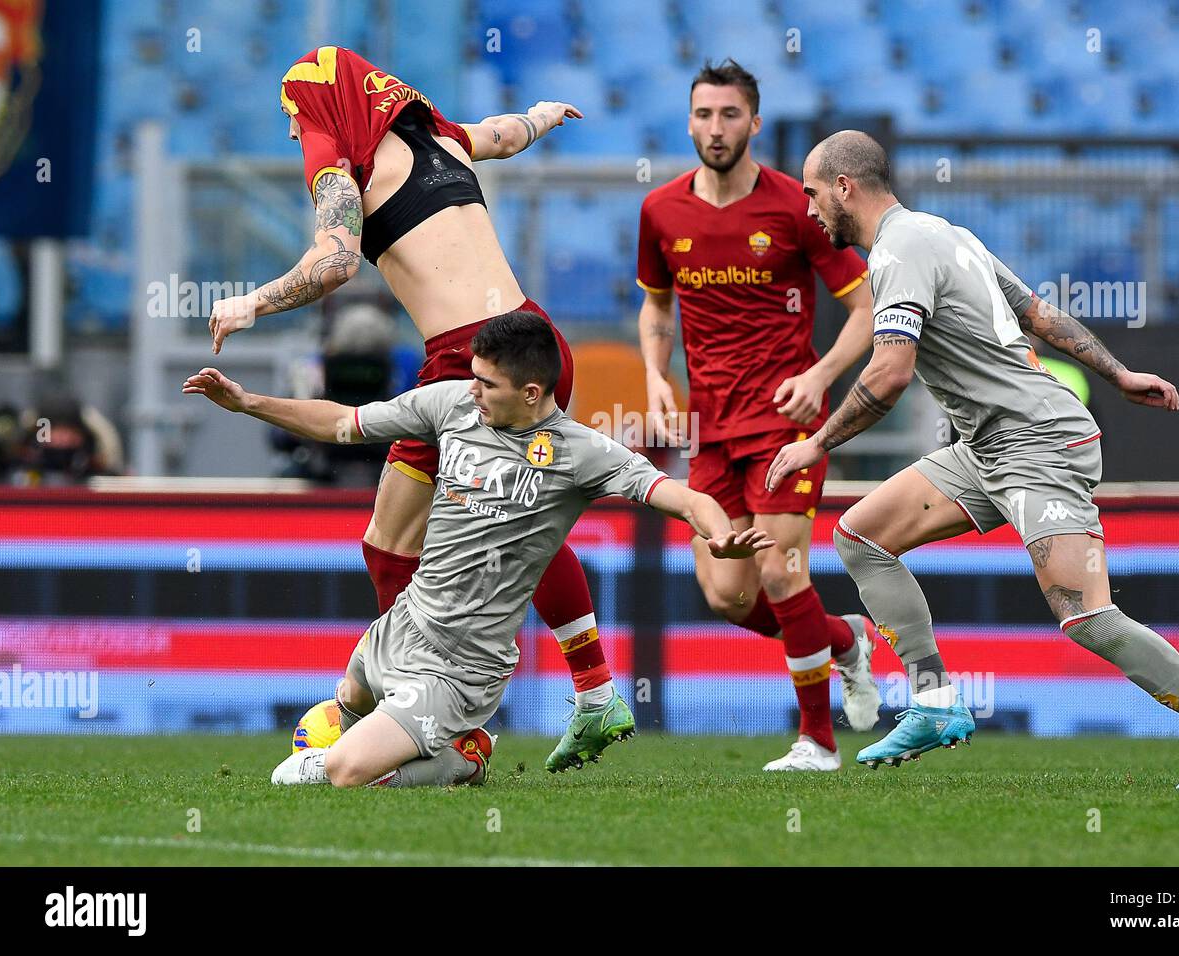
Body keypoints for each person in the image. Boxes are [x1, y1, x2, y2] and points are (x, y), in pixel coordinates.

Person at [767, 130, 1179, 790]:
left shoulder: (898, 252)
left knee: (1087, 616)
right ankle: (936, 701)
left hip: (1038, 443)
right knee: (861, 535)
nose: (806, 211)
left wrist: (813, 442)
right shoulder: (947, 235)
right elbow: (1037, 312)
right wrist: (1118, 374)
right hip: (986, 447)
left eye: (810, 194)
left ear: (843, 187)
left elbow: (890, 373)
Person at [205, 45, 629, 771]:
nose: (291, 134)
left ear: (322, 107)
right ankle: (592, 694)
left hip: (472, 364)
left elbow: (335, 261)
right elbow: (499, 136)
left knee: (392, 541)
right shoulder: (440, 138)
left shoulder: (347, 164)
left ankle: (424, 709)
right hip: (531, 337)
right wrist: (541, 116)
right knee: (512, 518)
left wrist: (251, 301)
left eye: (293, 116)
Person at [184, 311, 772, 787]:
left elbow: (682, 497)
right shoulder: (452, 406)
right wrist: (249, 403)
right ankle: (404, 739)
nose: (474, 389)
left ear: (532, 392)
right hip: (403, 624)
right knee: (347, 701)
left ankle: (463, 757)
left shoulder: (581, 452)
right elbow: (343, 423)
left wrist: (718, 533)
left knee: (341, 772)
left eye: (487, 383)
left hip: (461, 667)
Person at [636, 59, 880, 771]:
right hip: (710, 428)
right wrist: (654, 375)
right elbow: (655, 307)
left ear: (755, 123)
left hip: (784, 421)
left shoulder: (795, 207)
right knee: (725, 593)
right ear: (689, 122)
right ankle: (844, 641)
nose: (717, 128)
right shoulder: (660, 212)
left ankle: (817, 740)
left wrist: (822, 373)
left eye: (730, 115)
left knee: (780, 573)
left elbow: (865, 308)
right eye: (705, 115)